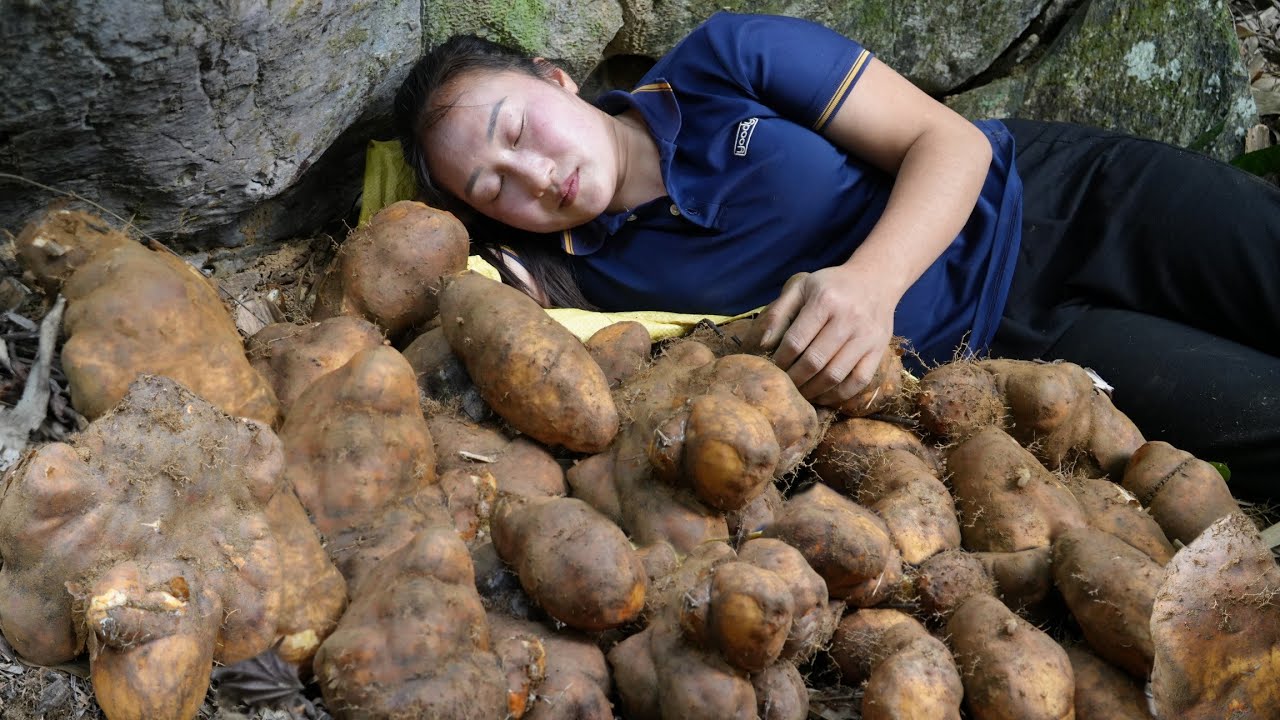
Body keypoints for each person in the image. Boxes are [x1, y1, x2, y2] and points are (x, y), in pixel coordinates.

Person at [394, 11, 1280, 498]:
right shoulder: (586, 289)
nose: (533, 176)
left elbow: (949, 141)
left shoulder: (722, 62)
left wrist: (870, 283)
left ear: (555, 79)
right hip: (1017, 356)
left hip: (1057, 198)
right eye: (492, 185)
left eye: (517, 130)